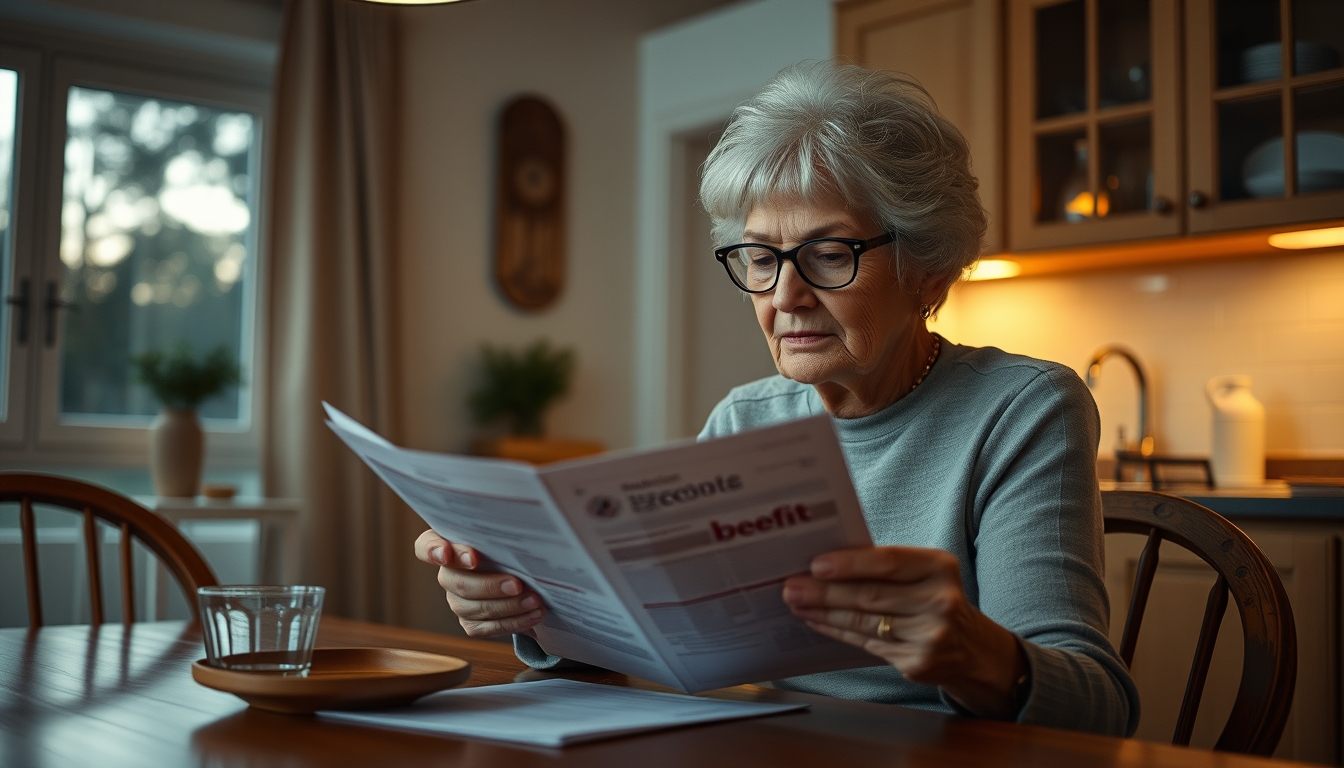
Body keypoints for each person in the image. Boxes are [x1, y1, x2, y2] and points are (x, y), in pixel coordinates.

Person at [414, 61, 1139, 736]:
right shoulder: (745, 417)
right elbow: (664, 643)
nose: (785, 296)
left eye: (829, 255)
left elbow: (1099, 710)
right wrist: (536, 611)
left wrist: (968, 651)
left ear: (929, 272)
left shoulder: (1022, 407)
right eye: (761, 258)